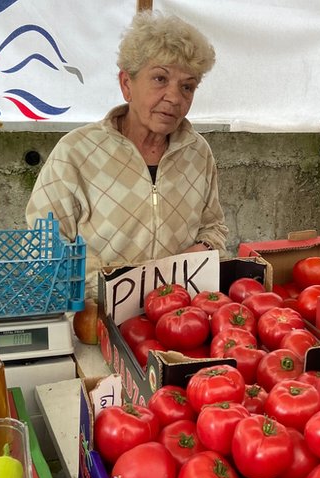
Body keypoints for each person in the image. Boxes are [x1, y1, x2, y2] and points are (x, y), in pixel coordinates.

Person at [26, 10, 229, 300]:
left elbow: (214, 227)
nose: (174, 97)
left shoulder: (197, 153)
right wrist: (112, 286)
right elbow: (43, 250)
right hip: (97, 317)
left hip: (177, 317)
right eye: (160, 78)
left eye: (187, 86)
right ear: (126, 84)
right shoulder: (76, 153)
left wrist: (206, 248)